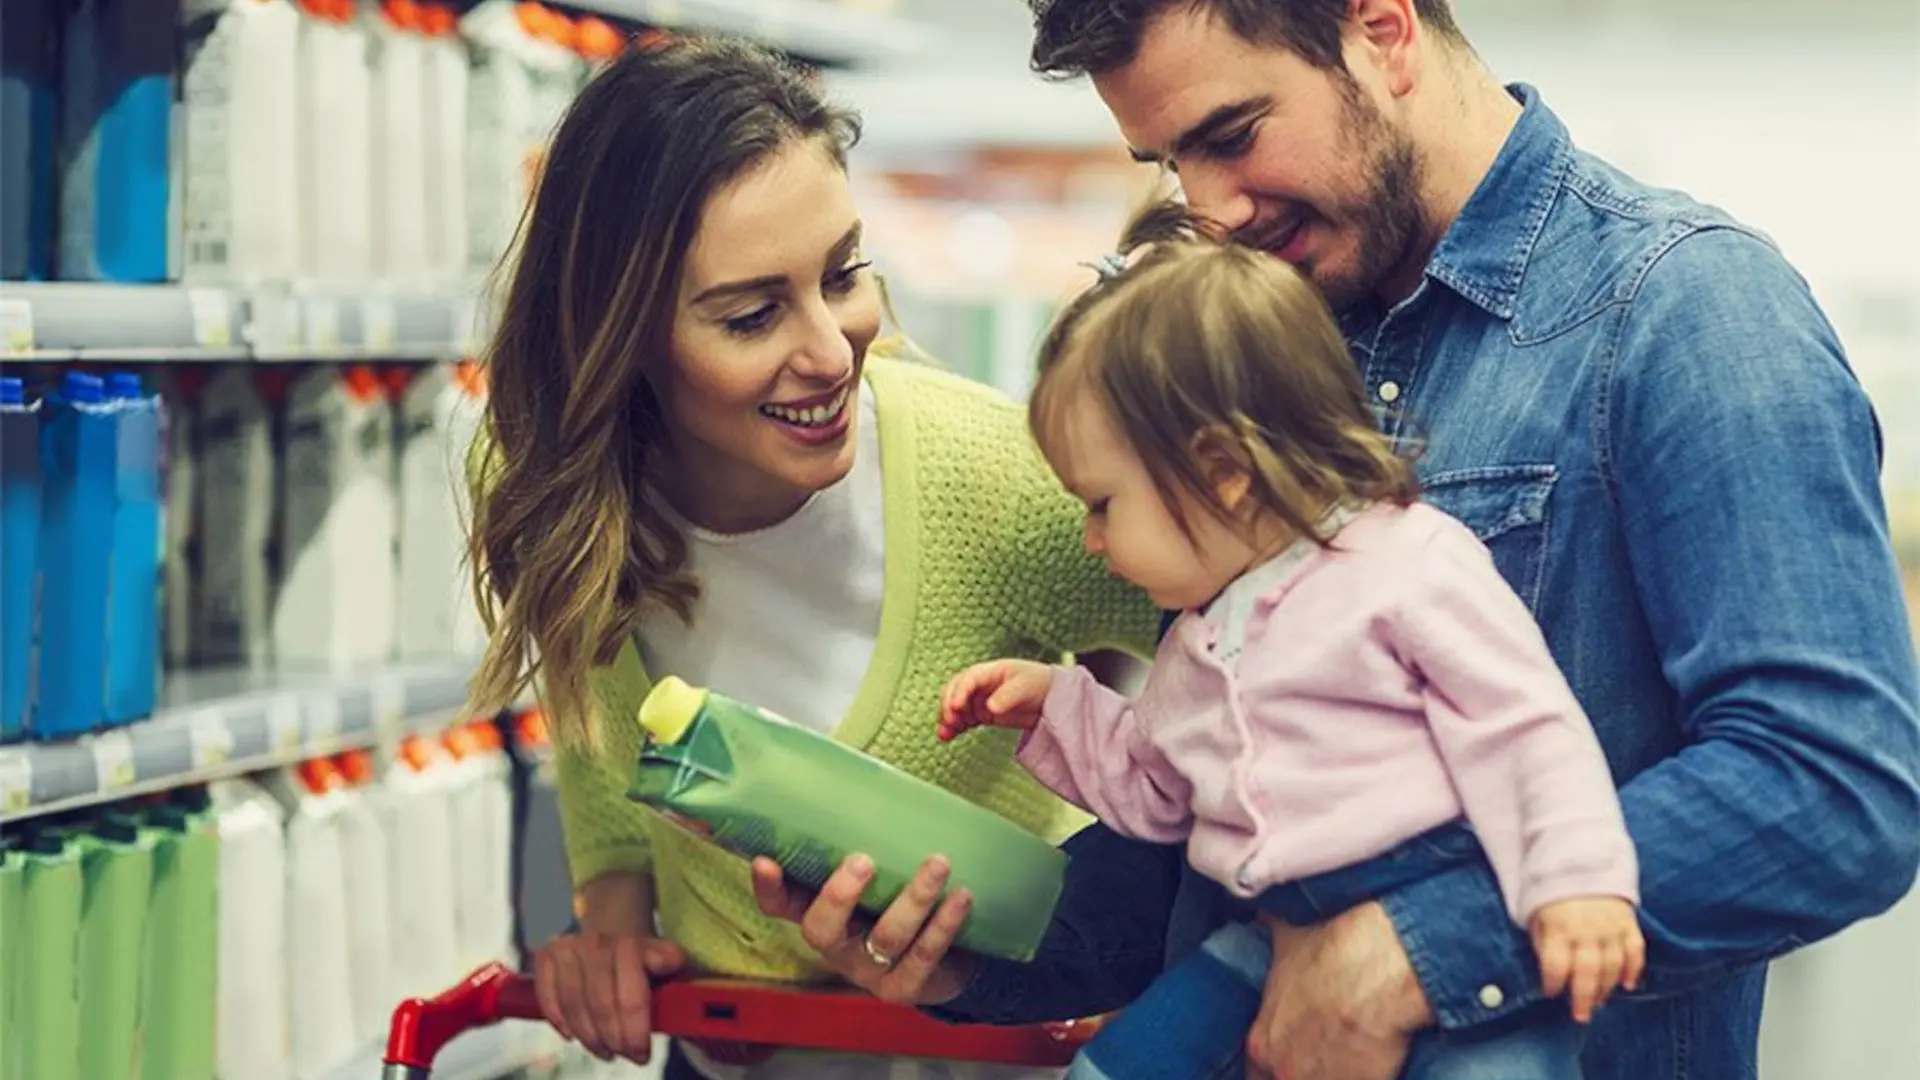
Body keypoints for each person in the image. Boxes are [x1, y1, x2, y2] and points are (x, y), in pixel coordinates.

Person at [749, 2, 1920, 1078]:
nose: (1213, 208)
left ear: (1383, 28)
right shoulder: (1246, 341)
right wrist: (964, 951)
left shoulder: (1688, 311)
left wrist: (1420, 948)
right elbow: (1210, 835)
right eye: (1171, 163)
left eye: (1233, 134)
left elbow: (1833, 788)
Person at [460, 36, 1160, 1080]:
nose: (834, 352)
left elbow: (1262, 669)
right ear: (619, 337)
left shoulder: (994, 477)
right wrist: (611, 919)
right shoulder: (557, 487)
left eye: (843, 275)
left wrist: (1157, 933)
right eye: (752, 315)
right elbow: (599, 716)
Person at [936, 199, 1643, 1080]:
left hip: (1437, 919)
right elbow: (1158, 792)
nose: (1091, 539)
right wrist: (1056, 707)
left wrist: (1577, 883)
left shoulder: (1407, 564)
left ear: (1222, 472)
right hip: (1270, 935)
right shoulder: (1202, 637)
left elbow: (1526, 728)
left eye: (1102, 505)